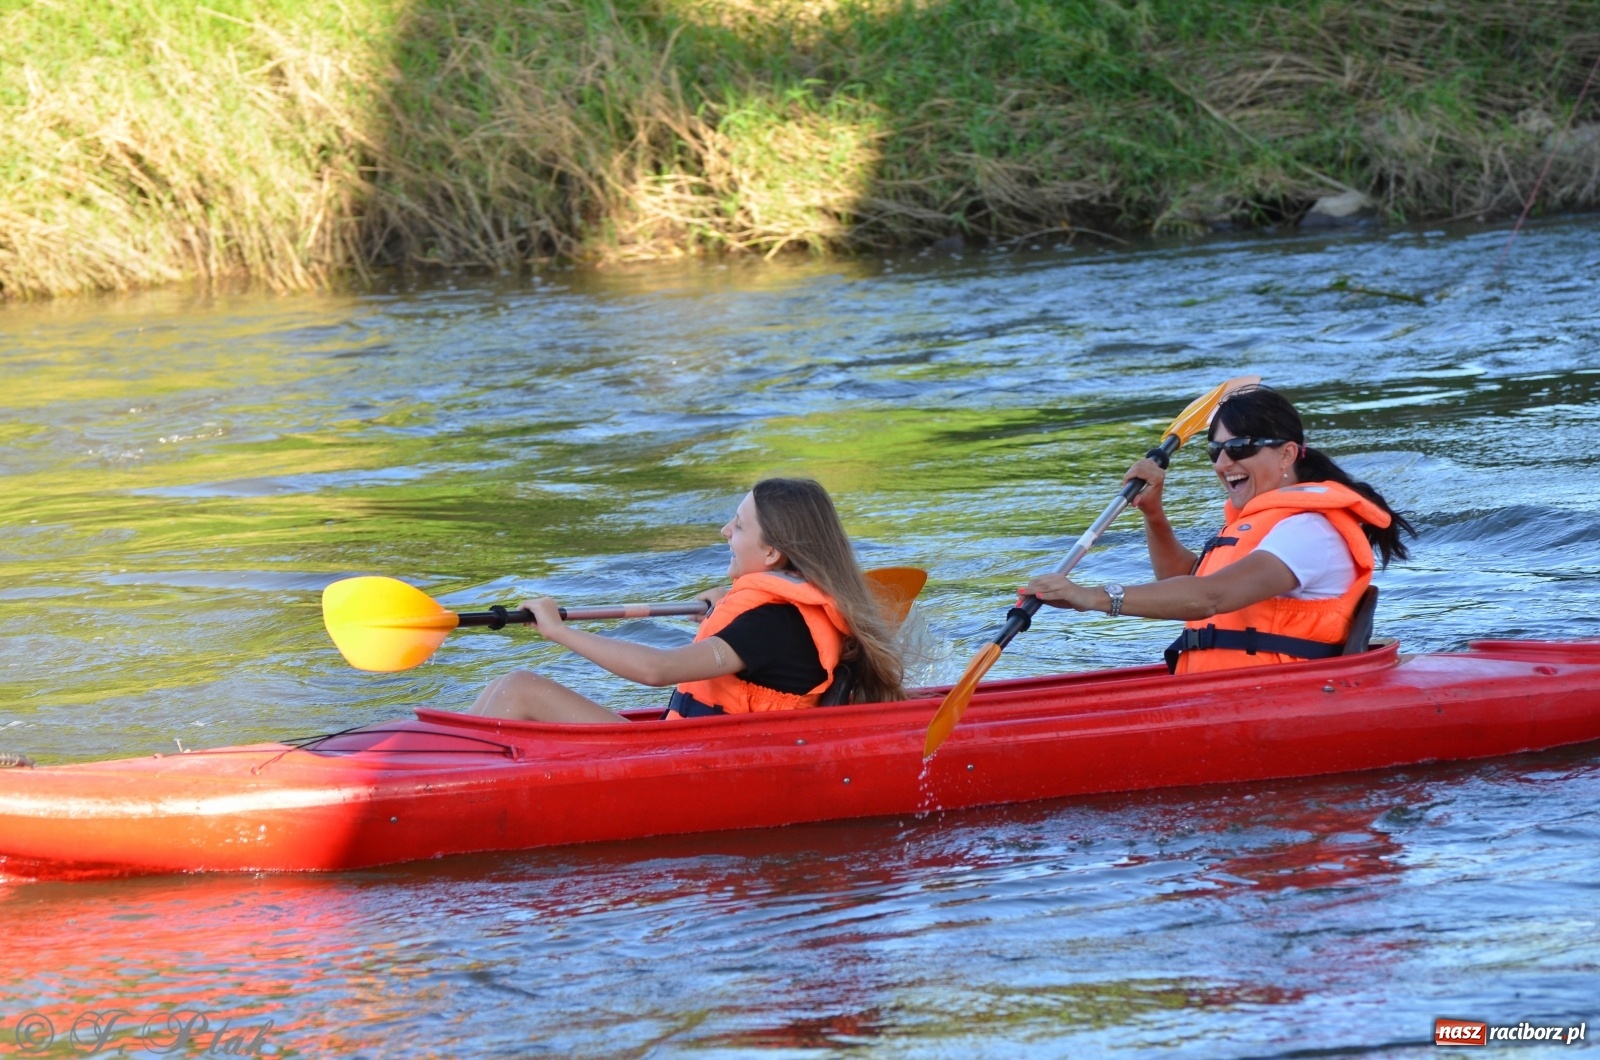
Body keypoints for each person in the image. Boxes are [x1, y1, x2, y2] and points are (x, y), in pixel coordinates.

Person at [1022, 385, 1415, 673]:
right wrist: (1154, 515)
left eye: (1240, 447)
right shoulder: (1262, 524)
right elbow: (1180, 585)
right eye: (1216, 450)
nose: (1223, 464)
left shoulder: (1311, 532)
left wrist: (1091, 597)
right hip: (1228, 692)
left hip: (1278, 698)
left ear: (1287, 454)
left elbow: (1210, 597)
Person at [468, 477, 907, 722]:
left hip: (689, 763)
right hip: (690, 749)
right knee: (501, 686)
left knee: (517, 688)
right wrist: (730, 606)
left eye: (739, 526)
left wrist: (559, 631)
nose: (725, 531)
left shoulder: (772, 626)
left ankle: (442, 788)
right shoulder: (780, 615)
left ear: (773, 553)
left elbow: (657, 670)